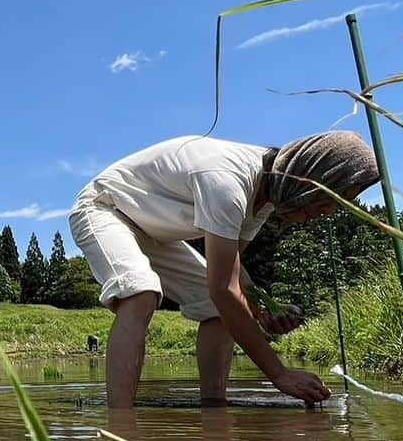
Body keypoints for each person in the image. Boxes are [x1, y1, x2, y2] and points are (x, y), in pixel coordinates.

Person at [68, 132, 380, 408]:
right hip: (104, 207)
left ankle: (214, 406)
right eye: (330, 199)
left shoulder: (264, 197)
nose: (328, 213)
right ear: (310, 177)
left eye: (341, 204)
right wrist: (279, 373)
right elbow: (225, 290)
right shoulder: (228, 182)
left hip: (150, 230)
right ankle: (121, 424)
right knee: (141, 291)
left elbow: (233, 274)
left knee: (213, 306)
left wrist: (264, 308)